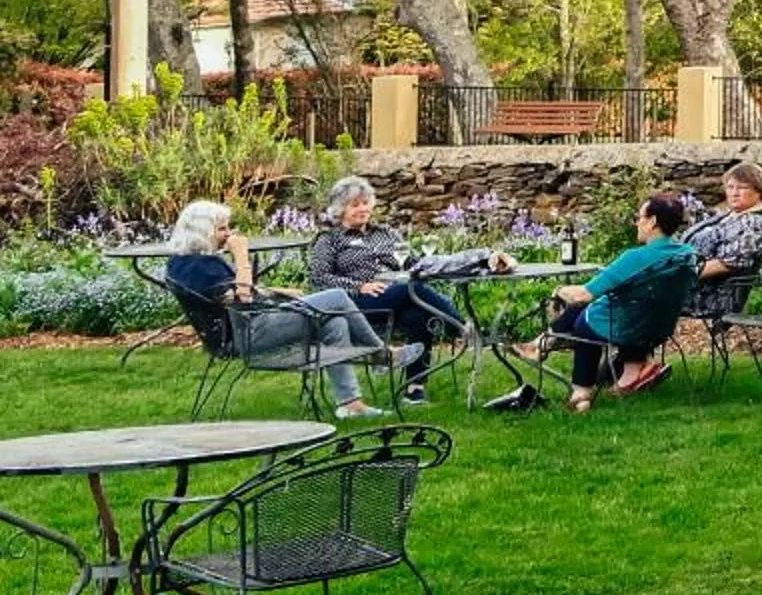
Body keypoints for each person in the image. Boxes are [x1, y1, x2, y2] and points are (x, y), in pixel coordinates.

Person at [164, 198, 417, 422]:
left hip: (244, 327)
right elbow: (243, 298)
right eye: (222, 229)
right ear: (202, 231)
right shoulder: (203, 267)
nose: (228, 234)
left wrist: (277, 292)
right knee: (338, 297)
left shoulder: (182, 264)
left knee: (335, 321)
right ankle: (382, 355)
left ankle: (351, 405)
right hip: (248, 334)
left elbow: (231, 295)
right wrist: (241, 255)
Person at [305, 175, 515, 407]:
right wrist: (359, 286)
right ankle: (462, 328)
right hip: (357, 304)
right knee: (411, 288)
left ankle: (415, 389)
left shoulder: (385, 233)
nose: (362, 209)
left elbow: (413, 264)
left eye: (365, 203)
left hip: (396, 297)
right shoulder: (329, 240)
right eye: (355, 205)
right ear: (340, 209)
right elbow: (319, 278)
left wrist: (474, 262)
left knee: (420, 315)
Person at [513, 192, 698, 414]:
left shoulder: (636, 258)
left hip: (622, 326)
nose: (637, 223)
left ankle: (581, 392)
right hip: (658, 328)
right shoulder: (687, 255)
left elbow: (583, 294)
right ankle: (540, 346)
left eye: (639, 217)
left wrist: (559, 291)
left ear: (652, 222)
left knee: (585, 318)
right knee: (596, 309)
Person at [685, 162, 762, 322]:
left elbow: (725, 264)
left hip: (712, 297)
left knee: (645, 292)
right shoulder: (734, 215)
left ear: (758, 191)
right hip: (692, 284)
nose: (734, 193)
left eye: (742, 188)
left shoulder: (758, 226)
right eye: (730, 187)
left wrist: (676, 275)